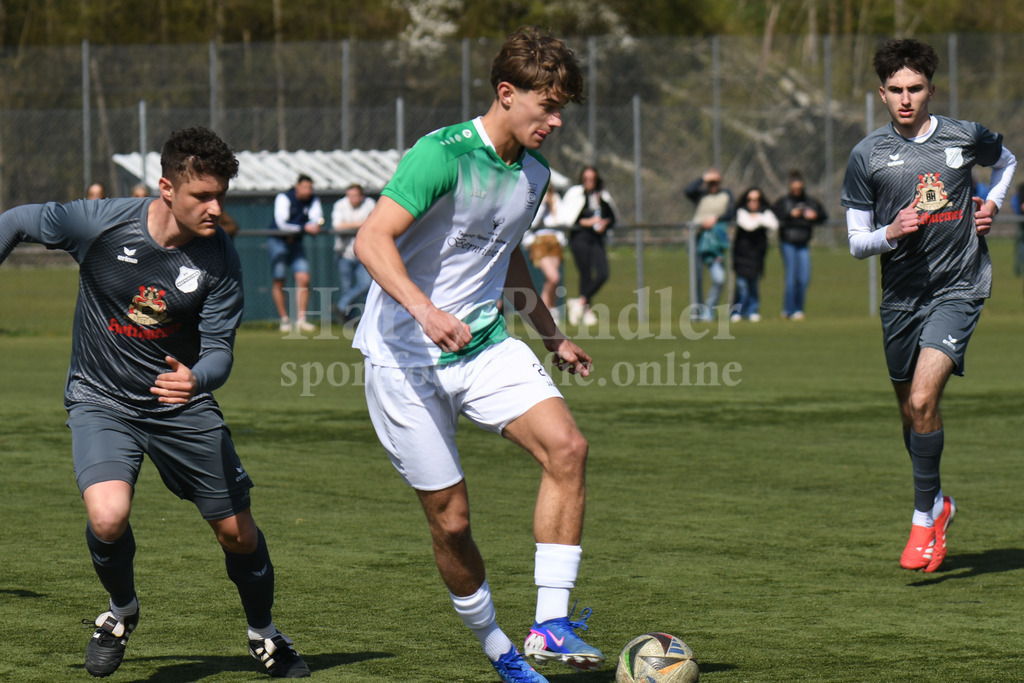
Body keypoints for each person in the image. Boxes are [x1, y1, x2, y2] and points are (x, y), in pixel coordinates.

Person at [0, 127, 309, 678]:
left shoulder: (219, 259)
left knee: (238, 534)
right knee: (108, 516)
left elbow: (219, 351)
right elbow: (18, 220)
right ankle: (121, 612)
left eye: (221, 196)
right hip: (101, 398)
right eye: (202, 196)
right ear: (167, 188)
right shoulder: (101, 222)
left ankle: (263, 632)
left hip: (180, 405)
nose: (216, 208)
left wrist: (197, 379)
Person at [352, 27, 602, 683]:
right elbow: (372, 240)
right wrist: (426, 311)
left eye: (561, 110)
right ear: (506, 93)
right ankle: (499, 648)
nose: (555, 121)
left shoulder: (535, 174)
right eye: (547, 106)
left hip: (484, 344)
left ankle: (549, 624)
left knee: (568, 448)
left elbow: (506, 253)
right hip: (402, 359)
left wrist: (551, 334)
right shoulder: (441, 154)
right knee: (453, 522)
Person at [841, 38, 1017, 574]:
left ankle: (923, 517)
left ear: (931, 90)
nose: (905, 99)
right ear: (881, 94)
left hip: (959, 287)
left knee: (922, 400)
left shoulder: (965, 136)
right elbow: (856, 242)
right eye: (895, 89)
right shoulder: (866, 155)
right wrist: (890, 232)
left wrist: (991, 204)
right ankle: (939, 502)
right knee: (911, 414)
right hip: (900, 299)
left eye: (915, 88)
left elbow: (1007, 161)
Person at [560, 165, 616, 326]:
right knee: (585, 273)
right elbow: (569, 218)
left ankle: (579, 302)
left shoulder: (602, 196)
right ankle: (586, 310)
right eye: (586, 179)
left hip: (596, 239)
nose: (589, 182)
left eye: (592, 179)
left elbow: (612, 216)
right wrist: (586, 222)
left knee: (603, 273)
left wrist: (604, 222)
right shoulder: (575, 194)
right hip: (580, 238)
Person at [268, 174, 323, 333]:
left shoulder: (313, 199)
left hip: (296, 242)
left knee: (303, 278)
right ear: (297, 186)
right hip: (278, 241)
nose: (307, 191)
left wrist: (314, 225)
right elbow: (281, 223)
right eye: (304, 187)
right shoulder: (284, 197)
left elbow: (317, 218)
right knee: (279, 279)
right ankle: (284, 320)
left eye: (310, 188)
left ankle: (301, 319)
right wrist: (304, 227)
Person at [773, 170, 827, 321]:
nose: (797, 191)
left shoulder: (809, 202)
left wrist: (815, 216)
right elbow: (775, 214)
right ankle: (788, 310)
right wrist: (790, 214)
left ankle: (798, 309)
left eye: (799, 188)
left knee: (804, 277)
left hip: (803, 242)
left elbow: (823, 216)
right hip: (788, 242)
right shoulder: (784, 202)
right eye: (794, 188)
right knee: (791, 276)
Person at [685, 169, 733, 321]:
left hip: (715, 243)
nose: (713, 185)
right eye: (710, 183)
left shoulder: (726, 195)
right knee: (697, 278)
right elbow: (688, 190)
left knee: (719, 278)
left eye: (715, 182)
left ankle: (709, 310)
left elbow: (732, 212)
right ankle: (697, 312)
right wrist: (703, 177)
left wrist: (716, 218)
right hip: (698, 239)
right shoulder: (701, 195)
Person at [731, 187, 778, 322]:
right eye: (750, 199)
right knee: (742, 286)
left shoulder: (765, 212)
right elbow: (748, 225)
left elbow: (773, 224)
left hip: (757, 255)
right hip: (741, 255)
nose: (753, 202)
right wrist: (760, 220)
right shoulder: (741, 212)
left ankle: (752, 310)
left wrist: (758, 218)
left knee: (753, 285)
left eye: (756, 200)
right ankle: (737, 311)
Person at [331, 183, 376, 323]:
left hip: (364, 253)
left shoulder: (370, 204)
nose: (352, 198)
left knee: (366, 284)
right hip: (344, 253)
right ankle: (350, 320)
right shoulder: (340, 205)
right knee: (347, 288)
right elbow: (338, 226)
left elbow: (375, 224)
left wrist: (349, 225)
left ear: (362, 196)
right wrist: (361, 224)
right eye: (350, 195)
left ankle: (341, 306)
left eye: (355, 195)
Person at [525, 185, 566, 323]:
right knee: (553, 277)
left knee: (552, 281)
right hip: (539, 241)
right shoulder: (533, 198)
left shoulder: (556, 199)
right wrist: (542, 205)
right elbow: (532, 222)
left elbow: (561, 221)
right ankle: (543, 313)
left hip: (554, 240)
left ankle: (549, 311)